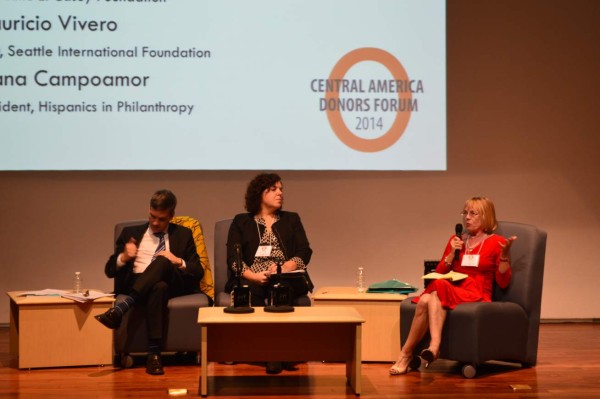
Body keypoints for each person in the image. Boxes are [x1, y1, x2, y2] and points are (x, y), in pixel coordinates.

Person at [390, 196, 517, 375]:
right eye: (465, 213)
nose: (467, 217)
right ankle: (413, 353)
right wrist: (451, 253)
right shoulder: (457, 239)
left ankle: (417, 351)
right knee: (427, 297)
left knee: (432, 294)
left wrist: (504, 256)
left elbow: (503, 282)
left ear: (486, 216)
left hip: (477, 292)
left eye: (473, 213)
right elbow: (441, 271)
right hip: (453, 287)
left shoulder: (496, 242)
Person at [96, 189, 204, 375]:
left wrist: (178, 261)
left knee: (162, 261)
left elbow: (198, 271)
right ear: (148, 210)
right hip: (142, 282)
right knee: (157, 287)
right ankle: (154, 354)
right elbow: (109, 270)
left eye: (161, 219)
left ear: (171, 215)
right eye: (152, 216)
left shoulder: (183, 234)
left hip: (173, 281)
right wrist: (124, 257)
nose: (155, 222)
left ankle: (122, 308)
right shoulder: (130, 233)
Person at [226, 173, 313, 374]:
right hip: (253, 276)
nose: (280, 193)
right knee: (251, 291)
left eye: (281, 189)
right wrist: (252, 275)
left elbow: (304, 251)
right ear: (259, 194)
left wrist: (287, 266)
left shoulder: (291, 219)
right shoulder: (241, 221)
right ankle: (265, 350)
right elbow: (233, 257)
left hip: (284, 275)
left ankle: (276, 353)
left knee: (281, 288)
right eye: (273, 189)